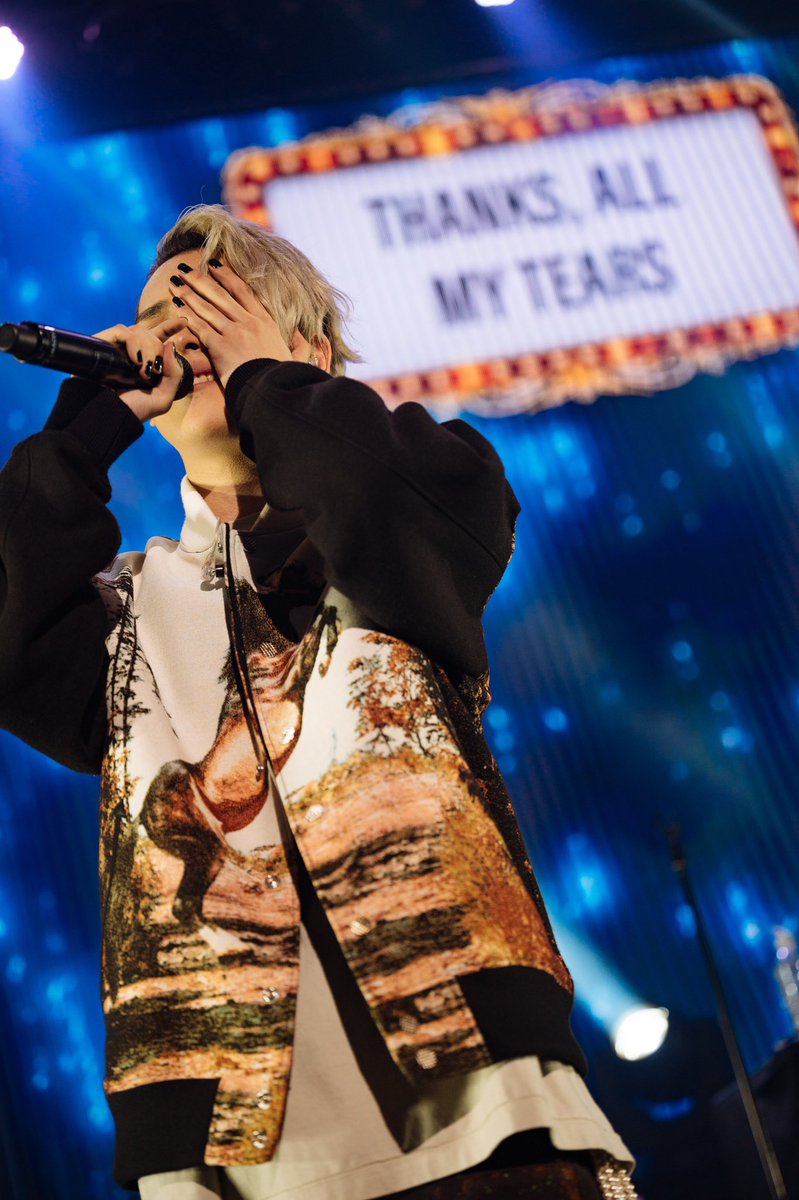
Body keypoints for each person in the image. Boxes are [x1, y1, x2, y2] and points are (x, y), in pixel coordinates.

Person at [0, 204, 635, 1199]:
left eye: (224, 308)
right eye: (163, 322)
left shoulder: (415, 497)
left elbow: (388, 502)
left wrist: (263, 382)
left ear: (310, 353)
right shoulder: (129, 613)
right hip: (233, 1150)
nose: (188, 336)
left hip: (482, 1116)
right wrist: (78, 438)